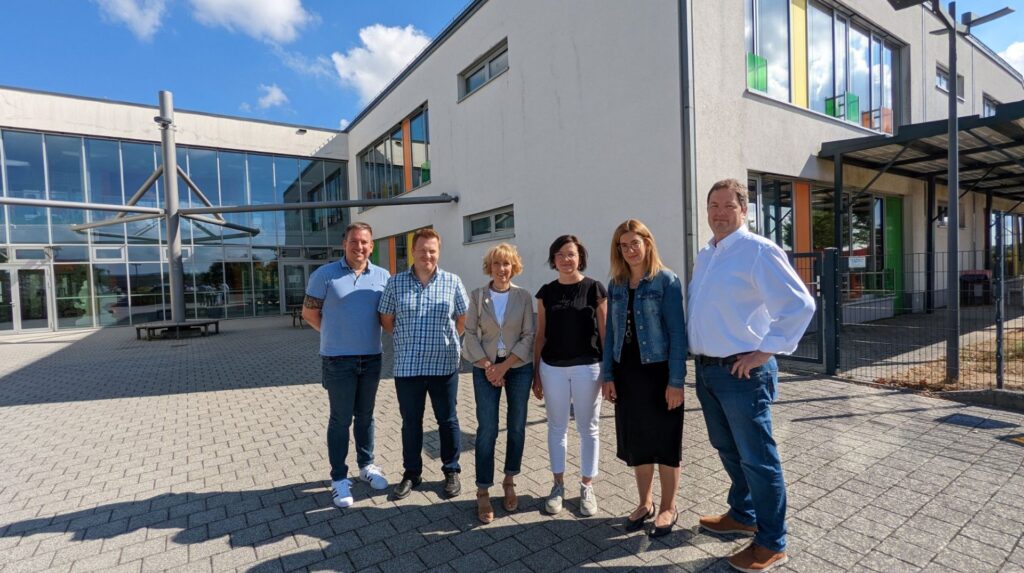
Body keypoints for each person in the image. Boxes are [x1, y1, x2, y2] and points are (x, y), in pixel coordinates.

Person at [688, 179, 815, 573]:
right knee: (727, 448)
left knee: (758, 459)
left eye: (728, 206)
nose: (719, 213)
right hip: (708, 371)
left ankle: (772, 543)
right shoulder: (707, 254)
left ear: (744, 211)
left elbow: (800, 304)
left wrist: (764, 352)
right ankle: (743, 514)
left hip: (741, 374)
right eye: (713, 205)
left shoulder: (758, 251)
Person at [601, 219, 686, 537]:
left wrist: (676, 381)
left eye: (634, 243)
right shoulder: (616, 284)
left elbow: (677, 334)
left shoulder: (666, 280)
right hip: (627, 373)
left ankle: (668, 507)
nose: (629, 250)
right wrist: (608, 375)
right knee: (637, 442)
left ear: (647, 243)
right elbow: (611, 333)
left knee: (665, 442)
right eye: (623, 246)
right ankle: (645, 503)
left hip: (659, 372)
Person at [302, 222, 391, 508]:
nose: (359, 247)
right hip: (338, 360)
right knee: (341, 419)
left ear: (371, 246)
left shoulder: (383, 276)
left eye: (364, 242)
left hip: (372, 358)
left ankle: (366, 466)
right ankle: (339, 478)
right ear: (344, 244)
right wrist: (334, 335)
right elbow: (309, 313)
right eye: (354, 241)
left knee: (366, 416)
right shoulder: (324, 275)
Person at [379, 228, 469, 500]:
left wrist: (449, 340)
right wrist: (405, 338)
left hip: (444, 365)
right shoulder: (396, 283)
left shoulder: (452, 281)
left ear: (438, 252)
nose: (427, 255)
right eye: (422, 250)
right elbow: (386, 318)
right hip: (408, 367)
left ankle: (451, 470)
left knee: (448, 420)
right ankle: (412, 473)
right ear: (413, 252)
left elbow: (463, 317)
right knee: (411, 422)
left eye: (432, 251)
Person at [533, 235, 607, 516]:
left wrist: (610, 374)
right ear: (553, 260)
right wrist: (536, 373)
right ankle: (558, 485)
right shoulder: (546, 293)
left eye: (571, 254)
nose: (566, 259)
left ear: (580, 258)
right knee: (556, 427)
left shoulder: (594, 288)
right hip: (552, 368)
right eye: (560, 254)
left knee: (588, 428)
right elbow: (540, 335)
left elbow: (605, 334)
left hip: (588, 367)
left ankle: (587, 485)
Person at [462, 243, 535, 524]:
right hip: (485, 367)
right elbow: (469, 334)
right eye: (496, 264)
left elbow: (528, 335)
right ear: (489, 267)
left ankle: (509, 480)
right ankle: (483, 490)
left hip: (517, 367)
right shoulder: (478, 295)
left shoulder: (523, 296)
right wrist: (488, 366)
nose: (501, 269)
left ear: (513, 267)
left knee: (516, 426)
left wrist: (503, 367)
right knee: (487, 429)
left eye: (506, 264)